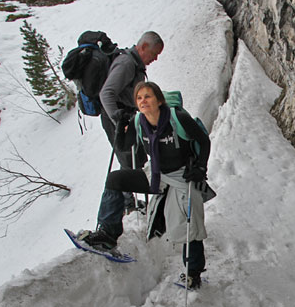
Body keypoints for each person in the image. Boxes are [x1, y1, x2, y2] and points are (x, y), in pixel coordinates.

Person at [79, 82, 211, 288]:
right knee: (115, 180)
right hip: (156, 175)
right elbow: (124, 146)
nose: (143, 101)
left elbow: (203, 141)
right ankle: (107, 234)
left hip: (181, 177)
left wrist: (200, 168)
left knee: (188, 224)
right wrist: (121, 127)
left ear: (159, 100)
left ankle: (193, 273)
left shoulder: (178, 119)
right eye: (139, 98)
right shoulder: (139, 121)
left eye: (148, 96)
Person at [99, 31, 165, 211]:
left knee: (132, 158)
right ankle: (123, 205)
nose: (155, 59)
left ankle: (127, 202)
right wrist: (118, 121)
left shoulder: (134, 64)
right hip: (118, 118)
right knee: (127, 160)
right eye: (154, 54)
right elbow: (106, 93)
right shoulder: (126, 63)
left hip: (127, 117)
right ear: (143, 47)